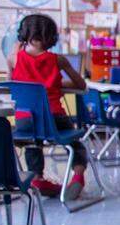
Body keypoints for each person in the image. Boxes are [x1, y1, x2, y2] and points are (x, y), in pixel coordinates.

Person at [6, 14, 88, 200]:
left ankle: (36, 177)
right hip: (54, 117)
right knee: (75, 143)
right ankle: (77, 176)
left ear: (24, 34)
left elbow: (11, 85)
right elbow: (81, 85)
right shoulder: (58, 60)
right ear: (51, 37)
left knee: (32, 143)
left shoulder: (13, 58)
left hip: (25, 120)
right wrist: (54, 85)